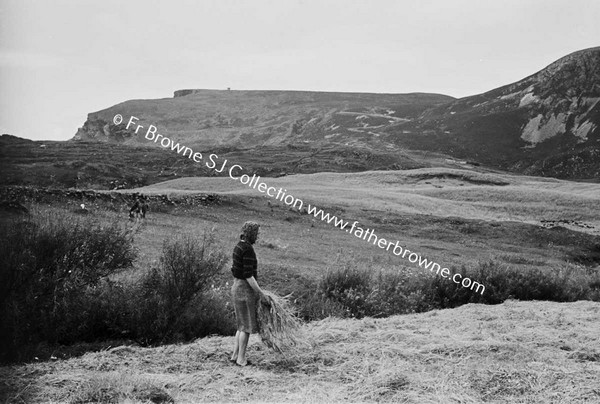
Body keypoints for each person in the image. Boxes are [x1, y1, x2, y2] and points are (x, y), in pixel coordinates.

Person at [230, 221, 268, 366]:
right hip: (244, 289)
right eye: (257, 233)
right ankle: (241, 359)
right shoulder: (248, 249)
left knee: (241, 325)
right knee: (246, 327)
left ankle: (234, 356)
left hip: (236, 286)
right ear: (251, 233)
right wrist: (260, 293)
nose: (258, 237)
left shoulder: (238, 246)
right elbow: (248, 275)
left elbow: (235, 270)